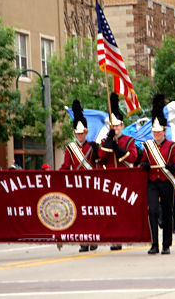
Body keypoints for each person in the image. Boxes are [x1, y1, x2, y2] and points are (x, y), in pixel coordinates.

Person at [97, 93, 138, 250]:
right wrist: (109, 141)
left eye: (118, 126)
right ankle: (116, 238)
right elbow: (101, 156)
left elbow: (133, 158)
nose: (115, 128)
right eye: (113, 126)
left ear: (122, 126)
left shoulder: (129, 140)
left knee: (125, 210)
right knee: (112, 210)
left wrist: (118, 147)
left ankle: (127, 233)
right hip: (110, 181)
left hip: (125, 178)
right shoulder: (105, 141)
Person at [140, 94, 175, 255]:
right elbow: (143, 160)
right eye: (154, 131)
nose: (156, 134)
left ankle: (166, 244)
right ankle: (154, 243)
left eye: (159, 132)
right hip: (152, 182)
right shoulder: (148, 146)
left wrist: (171, 167)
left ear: (164, 131)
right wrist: (144, 164)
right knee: (153, 211)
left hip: (166, 181)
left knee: (167, 211)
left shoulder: (172, 146)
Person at [60, 99, 98, 252]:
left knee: (91, 213)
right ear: (75, 133)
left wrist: (97, 149)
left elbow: (100, 160)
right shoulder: (70, 148)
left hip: (91, 184)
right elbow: (65, 166)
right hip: (77, 184)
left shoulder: (92, 146)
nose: (80, 135)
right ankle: (83, 241)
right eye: (78, 133)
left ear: (86, 133)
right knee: (80, 214)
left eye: (82, 133)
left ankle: (93, 239)